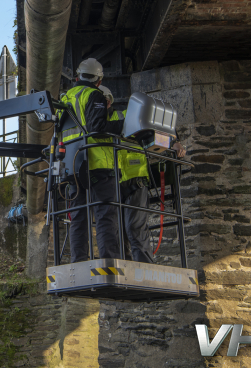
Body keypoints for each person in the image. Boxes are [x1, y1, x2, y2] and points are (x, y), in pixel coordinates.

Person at [99, 85, 186, 263]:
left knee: (135, 228)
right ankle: (125, 270)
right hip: (111, 183)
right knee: (116, 233)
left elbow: (154, 130)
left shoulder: (125, 117)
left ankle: (144, 268)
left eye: (102, 102)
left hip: (134, 180)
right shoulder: (94, 126)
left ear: (108, 102)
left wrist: (173, 142)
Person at [61, 58, 124, 262]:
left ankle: (78, 260)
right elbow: (97, 127)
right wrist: (121, 129)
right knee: (105, 215)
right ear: (98, 80)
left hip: (72, 164)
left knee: (78, 216)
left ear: (77, 76)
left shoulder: (65, 98)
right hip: (96, 164)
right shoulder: (93, 95)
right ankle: (109, 261)